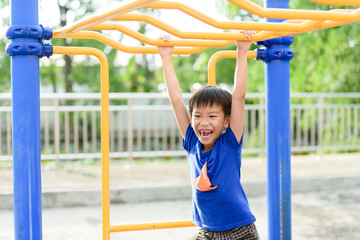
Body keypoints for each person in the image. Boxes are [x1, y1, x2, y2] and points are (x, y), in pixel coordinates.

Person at [157, 30, 259, 240]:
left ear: (226, 121)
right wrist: (166, 56)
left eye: (212, 116)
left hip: (239, 231)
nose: (203, 122)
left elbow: (239, 97)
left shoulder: (230, 143)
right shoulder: (192, 142)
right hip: (207, 231)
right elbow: (176, 99)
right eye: (197, 116)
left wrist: (241, 51)